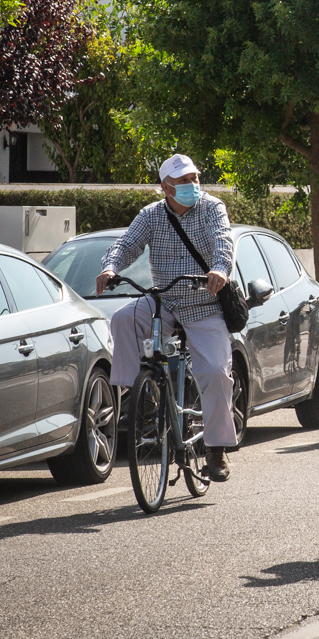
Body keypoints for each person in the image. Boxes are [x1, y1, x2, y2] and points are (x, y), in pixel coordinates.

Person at [98, 154, 237, 482]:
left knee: (217, 372)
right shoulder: (151, 215)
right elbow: (126, 244)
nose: (192, 185)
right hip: (164, 300)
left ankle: (216, 449)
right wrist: (110, 267)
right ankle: (140, 395)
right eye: (183, 181)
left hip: (204, 304)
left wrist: (219, 269)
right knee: (122, 318)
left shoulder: (212, 208)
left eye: (194, 179)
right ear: (165, 187)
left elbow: (223, 242)